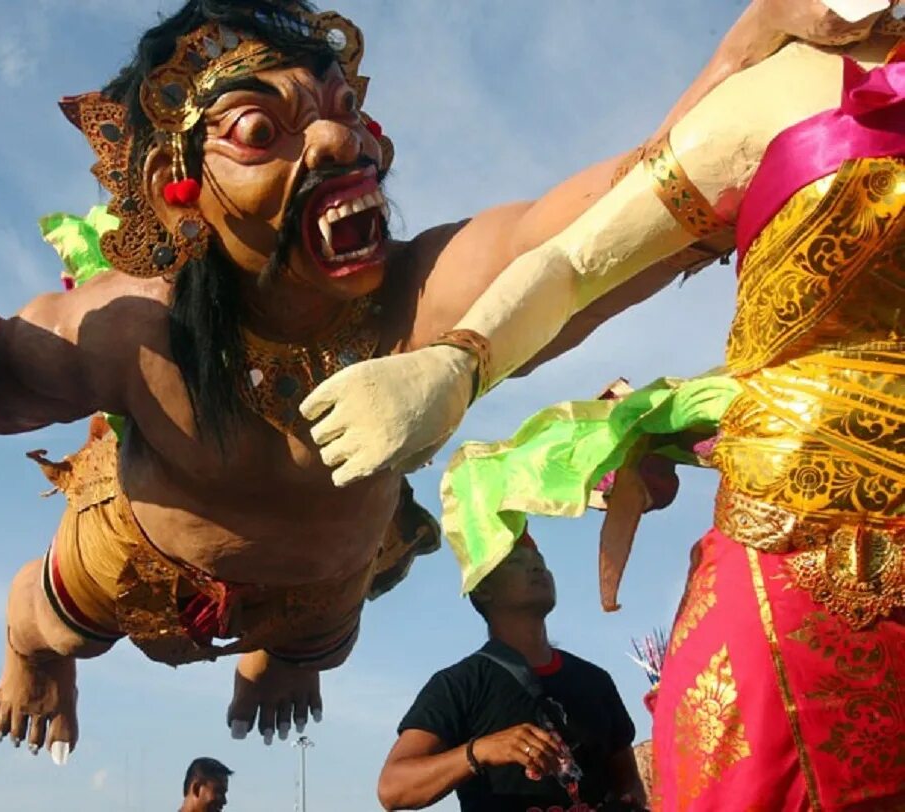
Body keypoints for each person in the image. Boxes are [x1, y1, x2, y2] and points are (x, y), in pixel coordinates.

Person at [0, 0, 843, 763]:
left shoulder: (425, 296)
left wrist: (738, 67)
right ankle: (43, 659)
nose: (332, 144)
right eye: (262, 132)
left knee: (309, 651)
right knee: (47, 609)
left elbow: (614, 213)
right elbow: (7, 375)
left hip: (327, 581)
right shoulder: (137, 327)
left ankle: (279, 657)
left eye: (337, 117)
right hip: (141, 558)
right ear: (179, 186)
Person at [301, 3, 905, 808]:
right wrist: (456, 366)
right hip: (799, 553)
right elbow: (577, 262)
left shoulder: (585, 686)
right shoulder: (782, 96)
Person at [378, 538, 644, 811]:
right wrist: (481, 751)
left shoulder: (595, 681)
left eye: (541, 563)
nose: (538, 569)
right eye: (517, 562)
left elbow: (629, 783)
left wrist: (628, 801)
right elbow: (393, 788)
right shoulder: (459, 684)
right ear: (482, 589)